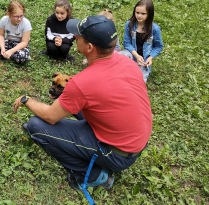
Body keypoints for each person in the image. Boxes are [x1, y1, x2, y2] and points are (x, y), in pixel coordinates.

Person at [14, 15, 152, 200]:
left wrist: (26, 99)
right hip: (136, 143)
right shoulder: (127, 62)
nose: (74, 36)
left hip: (117, 154)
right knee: (75, 102)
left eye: (78, 35)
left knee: (35, 126)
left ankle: (95, 176)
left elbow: (49, 116)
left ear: (89, 47)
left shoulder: (82, 83)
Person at [120, 0, 164, 83]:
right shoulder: (129, 24)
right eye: (137, 12)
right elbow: (127, 43)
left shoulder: (155, 29)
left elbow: (158, 46)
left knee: (138, 81)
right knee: (120, 57)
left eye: (143, 14)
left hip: (144, 61)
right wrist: (136, 56)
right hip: (131, 54)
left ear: (149, 14)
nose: (139, 16)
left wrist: (150, 58)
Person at [0, 0, 31, 65]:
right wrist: (2, 48)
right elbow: (0, 35)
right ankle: (9, 55)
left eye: (21, 16)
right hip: (8, 41)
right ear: (9, 14)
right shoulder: (4, 20)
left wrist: (11, 51)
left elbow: (24, 42)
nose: (19, 19)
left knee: (21, 58)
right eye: (16, 16)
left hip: (20, 45)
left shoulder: (26, 23)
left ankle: (10, 54)